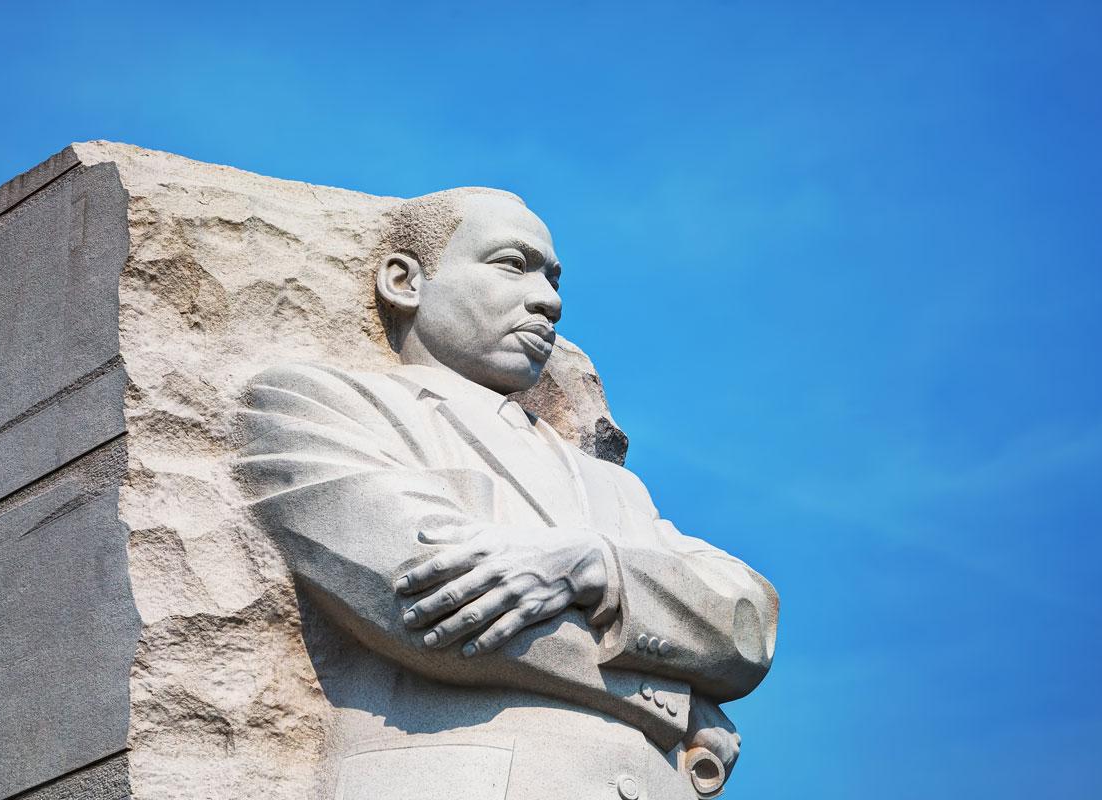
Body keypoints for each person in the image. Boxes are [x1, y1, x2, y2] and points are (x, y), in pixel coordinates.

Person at [234, 188, 778, 800]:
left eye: (553, 278)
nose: (550, 300)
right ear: (404, 280)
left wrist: (599, 567)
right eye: (512, 264)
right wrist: (680, 695)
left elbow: (747, 622)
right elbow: (435, 605)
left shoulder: (614, 486)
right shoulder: (318, 405)